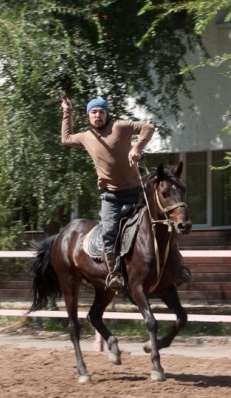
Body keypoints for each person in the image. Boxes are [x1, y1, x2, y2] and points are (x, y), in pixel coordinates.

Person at [61, 96, 154, 292]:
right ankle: (114, 274)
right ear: (88, 116)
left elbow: (148, 128)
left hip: (136, 192)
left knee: (159, 221)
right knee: (109, 232)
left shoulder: (119, 127)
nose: (97, 115)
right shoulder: (86, 137)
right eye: (93, 112)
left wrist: (137, 148)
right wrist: (67, 111)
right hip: (111, 197)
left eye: (101, 112)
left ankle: (176, 265)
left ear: (106, 114)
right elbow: (66, 138)